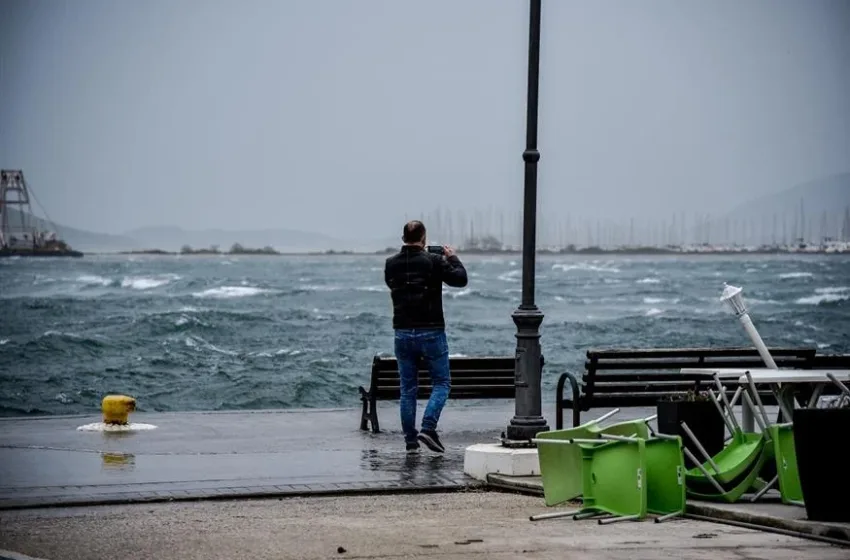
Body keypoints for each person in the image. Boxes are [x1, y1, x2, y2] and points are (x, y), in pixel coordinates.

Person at [384, 220, 468, 453]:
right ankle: (428, 427)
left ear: (403, 239)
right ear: (423, 239)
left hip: (401, 331)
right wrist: (451, 258)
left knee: (408, 388)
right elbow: (460, 279)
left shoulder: (391, 264)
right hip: (431, 330)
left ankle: (411, 442)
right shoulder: (434, 261)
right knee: (441, 383)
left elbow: (392, 285)